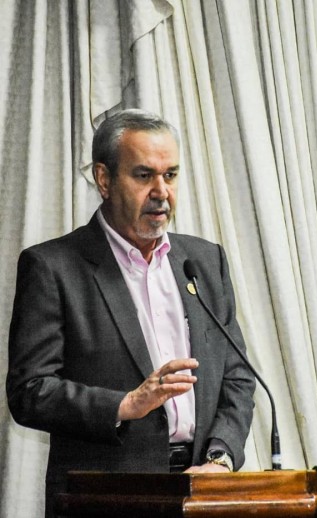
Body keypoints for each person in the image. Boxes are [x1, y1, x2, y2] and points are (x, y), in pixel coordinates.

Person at [6, 109, 256, 517]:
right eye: (144, 176)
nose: (161, 191)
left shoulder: (204, 261)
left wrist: (221, 458)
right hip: (106, 497)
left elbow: (238, 375)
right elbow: (30, 391)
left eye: (170, 175)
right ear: (104, 180)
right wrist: (125, 404)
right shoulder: (53, 267)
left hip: (202, 492)